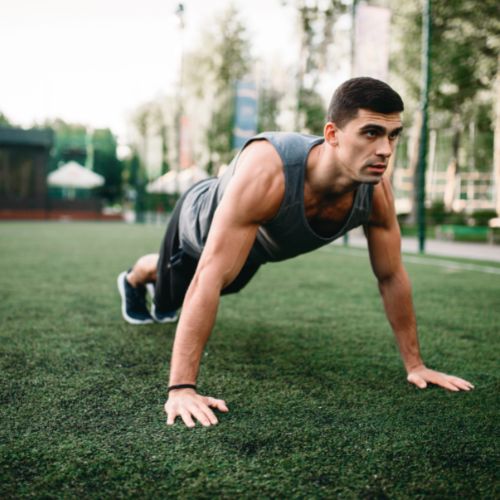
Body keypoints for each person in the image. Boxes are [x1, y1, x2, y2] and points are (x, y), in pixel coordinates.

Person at [117, 77, 474, 428]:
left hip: (254, 248)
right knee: (172, 296)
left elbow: (391, 275)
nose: (385, 149)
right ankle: (135, 279)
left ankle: (157, 277)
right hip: (199, 225)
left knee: (230, 284)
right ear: (332, 134)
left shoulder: (376, 191)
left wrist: (416, 365)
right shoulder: (268, 169)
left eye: (392, 135)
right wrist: (182, 388)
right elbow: (208, 274)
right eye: (370, 133)